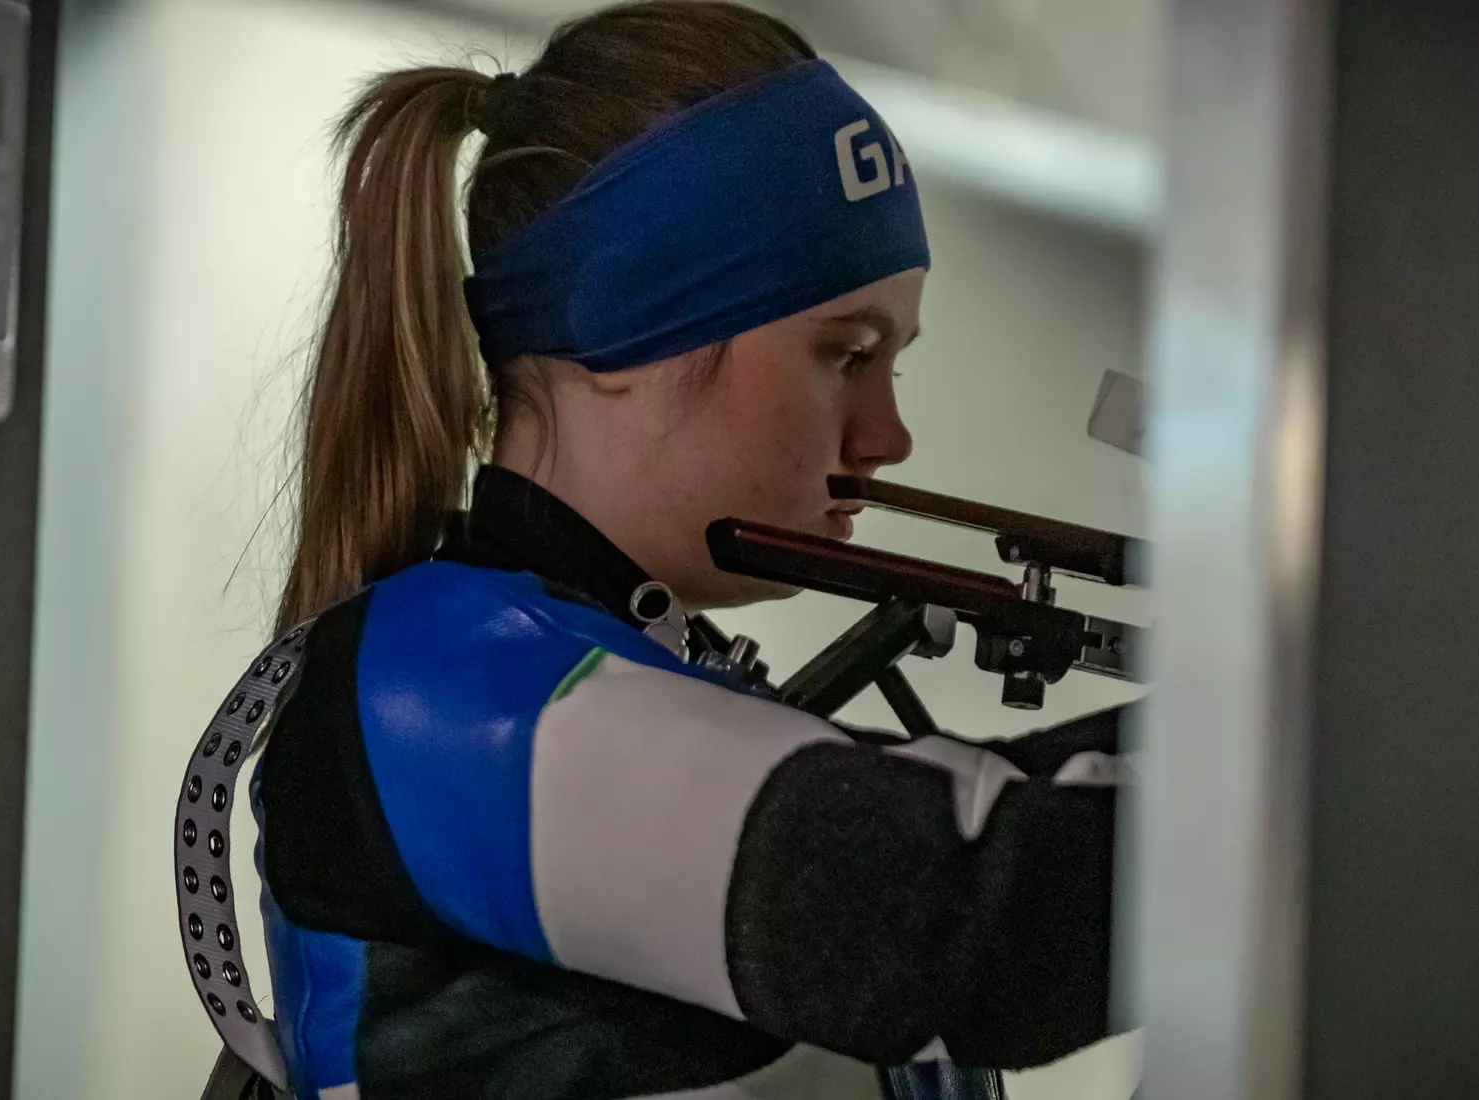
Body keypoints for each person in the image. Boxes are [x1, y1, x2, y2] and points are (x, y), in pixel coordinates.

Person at [250, 3, 1126, 1098]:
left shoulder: (652, 697)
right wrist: (1311, 742)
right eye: (845, 353)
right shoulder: (431, 683)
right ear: (620, 321)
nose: (888, 436)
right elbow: (963, 919)